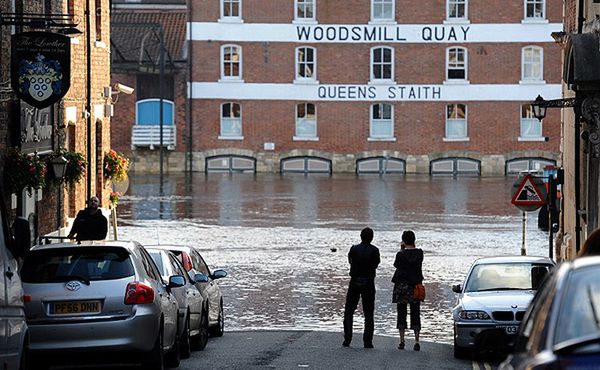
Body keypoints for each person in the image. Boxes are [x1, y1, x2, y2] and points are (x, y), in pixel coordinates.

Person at [343, 227, 380, 348]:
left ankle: (347, 339)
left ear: (360, 236)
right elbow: (376, 264)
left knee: (349, 311)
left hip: (354, 281)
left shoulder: (354, 249)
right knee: (369, 313)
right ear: (372, 238)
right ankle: (367, 341)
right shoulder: (375, 250)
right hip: (368, 282)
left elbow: (350, 261)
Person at [391, 230, 424, 351]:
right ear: (414, 240)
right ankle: (416, 341)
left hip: (401, 286)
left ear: (403, 241)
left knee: (401, 312)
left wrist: (401, 249)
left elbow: (396, 265)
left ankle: (402, 340)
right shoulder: (420, 253)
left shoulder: (400, 254)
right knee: (415, 312)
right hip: (415, 285)